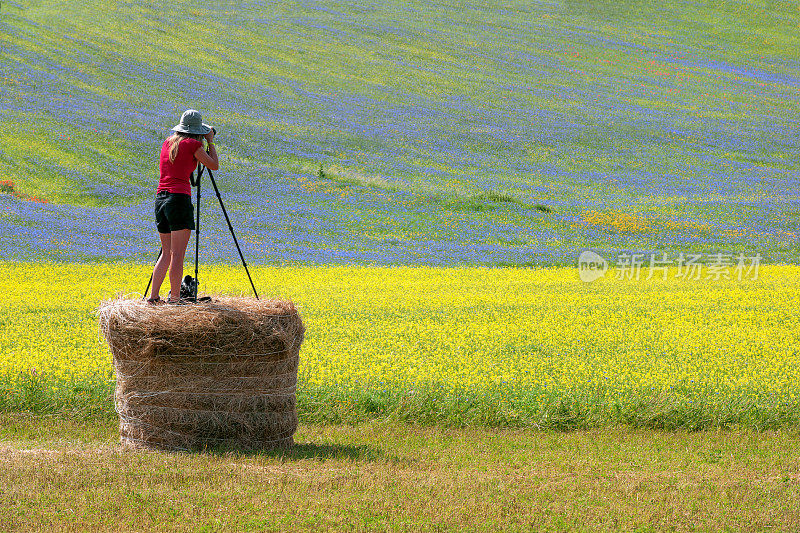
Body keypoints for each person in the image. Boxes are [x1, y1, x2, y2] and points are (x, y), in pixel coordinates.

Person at [147, 109, 218, 304]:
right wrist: (210, 141)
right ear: (197, 130)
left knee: (165, 252)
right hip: (178, 199)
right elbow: (213, 165)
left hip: (161, 199)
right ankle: (175, 299)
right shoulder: (193, 144)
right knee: (177, 255)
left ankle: (153, 298)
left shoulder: (168, 143)